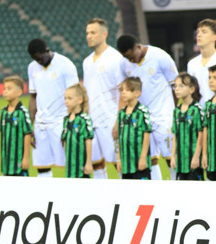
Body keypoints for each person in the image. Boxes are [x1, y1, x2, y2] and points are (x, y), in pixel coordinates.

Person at [117, 34, 178, 181]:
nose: (131, 60)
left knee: (171, 159)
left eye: (132, 56)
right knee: (150, 160)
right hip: (141, 119)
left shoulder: (160, 56)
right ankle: (156, 193)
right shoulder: (124, 64)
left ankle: (177, 192)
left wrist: (174, 112)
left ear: (138, 47)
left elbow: (175, 84)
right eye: (127, 58)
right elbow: (124, 90)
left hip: (163, 116)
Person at [27, 39, 79, 178]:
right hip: (41, 124)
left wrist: (72, 125)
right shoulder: (32, 67)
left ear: (47, 50)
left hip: (61, 122)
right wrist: (29, 125)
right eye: (35, 59)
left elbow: (75, 96)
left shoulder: (65, 65)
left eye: (40, 58)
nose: (39, 62)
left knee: (72, 164)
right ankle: (46, 198)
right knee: (42, 167)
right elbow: (33, 97)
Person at [83, 18, 125, 179]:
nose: (89, 36)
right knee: (97, 164)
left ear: (104, 34)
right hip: (92, 120)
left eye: (93, 32)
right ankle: (103, 198)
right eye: (87, 33)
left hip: (110, 120)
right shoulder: (87, 62)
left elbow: (123, 91)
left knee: (119, 164)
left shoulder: (115, 58)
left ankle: (125, 198)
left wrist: (118, 121)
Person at [170, 73, 205, 181]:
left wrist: (196, 156)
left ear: (191, 89)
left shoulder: (197, 109)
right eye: (175, 86)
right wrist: (173, 156)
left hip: (193, 161)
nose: (177, 89)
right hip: (181, 161)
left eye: (181, 86)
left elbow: (201, 135)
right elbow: (175, 135)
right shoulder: (176, 110)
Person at [117, 77, 151, 180]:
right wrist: (119, 159)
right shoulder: (121, 113)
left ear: (137, 93)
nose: (123, 93)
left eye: (127, 90)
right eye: (122, 90)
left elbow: (146, 135)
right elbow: (120, 137)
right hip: (126, 164)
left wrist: (143, 158)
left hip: (139, 162)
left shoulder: (142, 111)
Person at [0, 76, 32, 177]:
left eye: (9, 89)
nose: (5, 91)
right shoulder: (3, 112)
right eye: (4, 88)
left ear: (19, 92)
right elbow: (2, 136)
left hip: (19, 163)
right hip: (6, 163)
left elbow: (27, 134)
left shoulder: (22, 112)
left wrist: (26, 158)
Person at [61, 84, 94, 179]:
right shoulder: (66, 120)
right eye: (65, 98)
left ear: (79, 100)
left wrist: (88, 163)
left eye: (69, 98)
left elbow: (88, 141)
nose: (66, 101)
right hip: (70, 167)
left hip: (81, 167)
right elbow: (65, 141)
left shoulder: (84, 119)